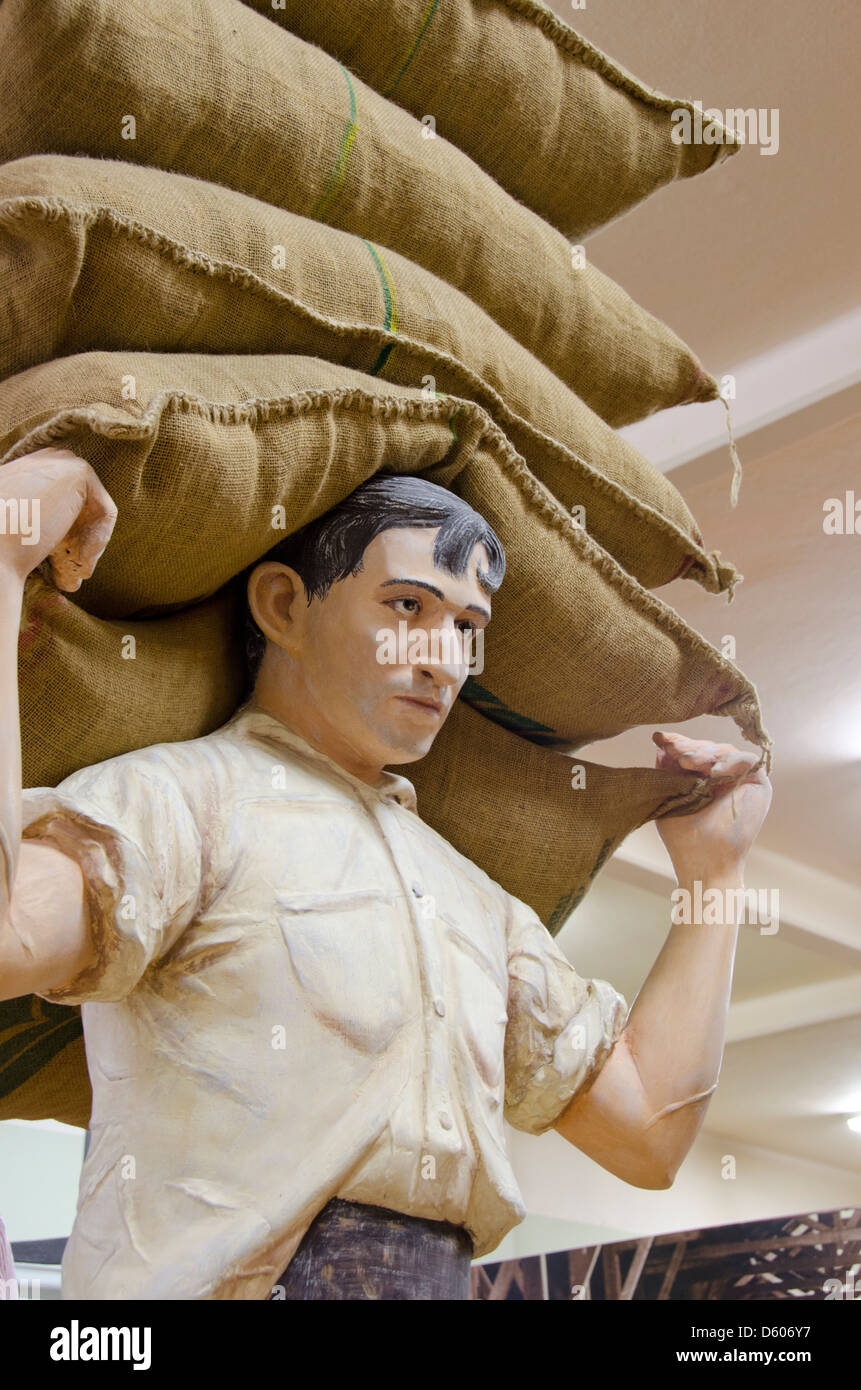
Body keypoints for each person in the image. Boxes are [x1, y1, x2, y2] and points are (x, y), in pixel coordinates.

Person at [0, 448, 772, 1300]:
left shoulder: (477, 903)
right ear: (284, 605)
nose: (444, 660)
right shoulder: (179, 801)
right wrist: (6, 555)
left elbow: (646, 1135)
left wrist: (715, 870)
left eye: (466, 628)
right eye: (408, 605)